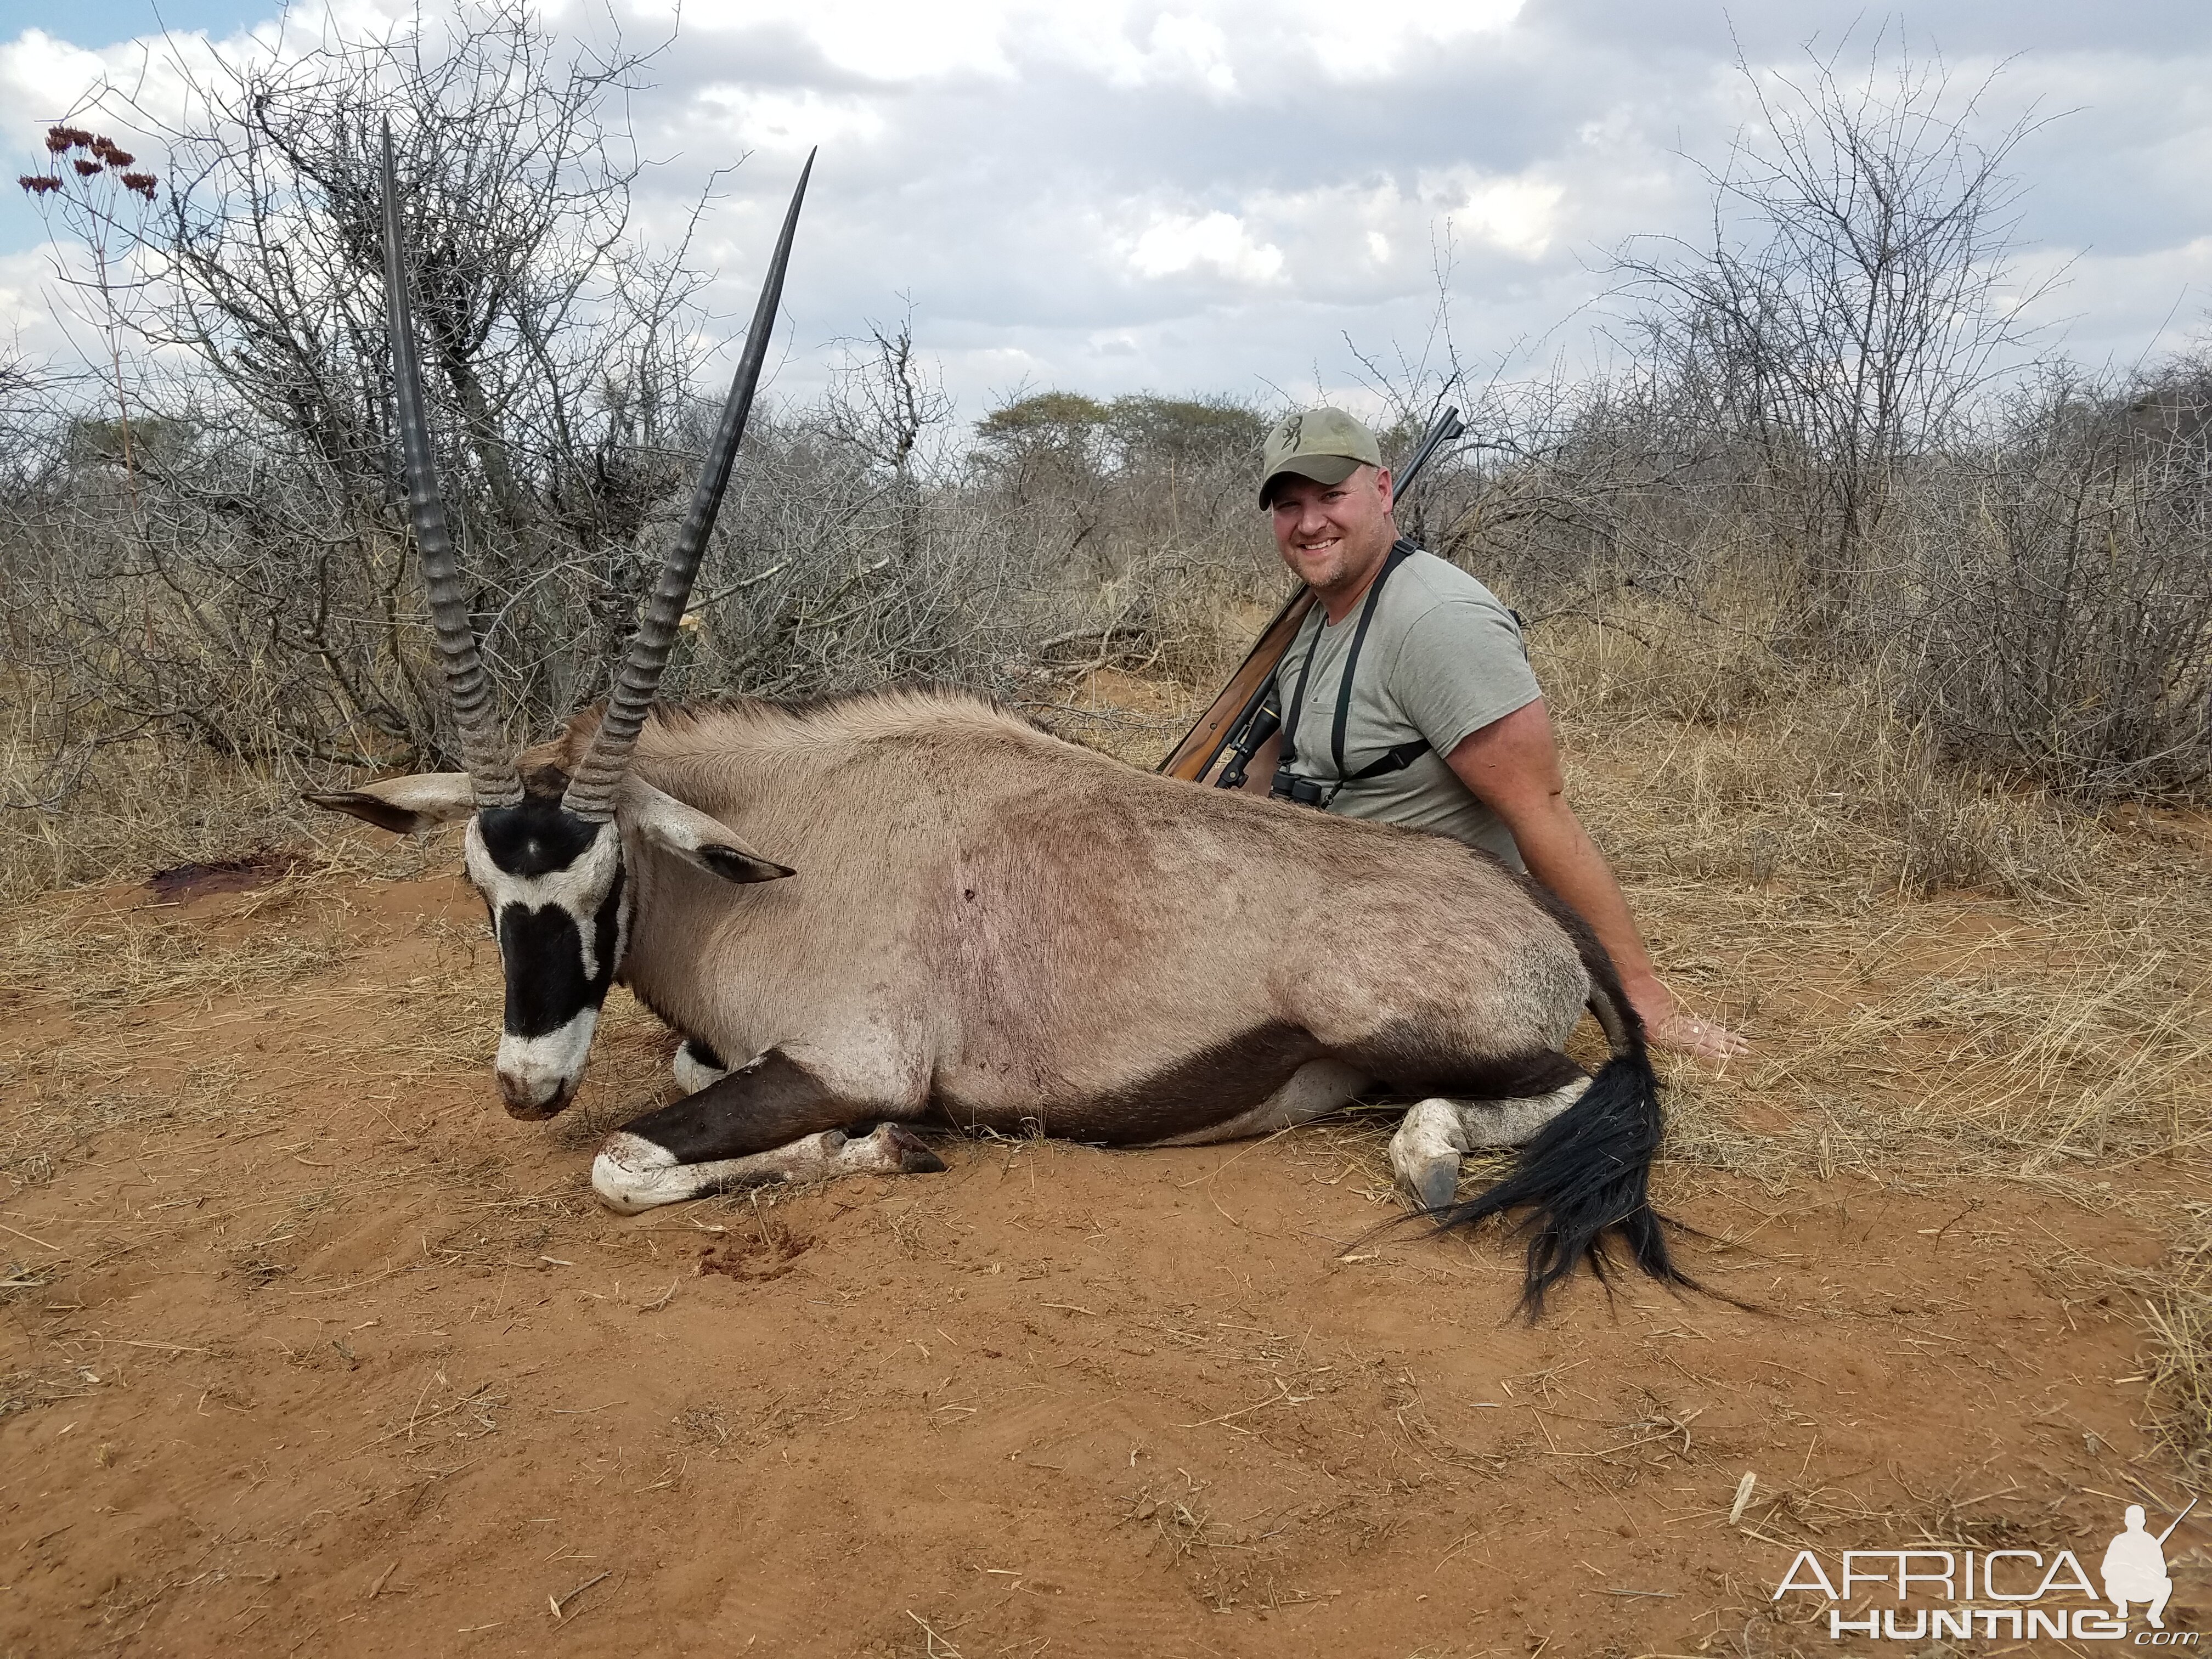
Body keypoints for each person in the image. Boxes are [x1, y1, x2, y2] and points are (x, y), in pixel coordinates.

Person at [1248, 407, 1745, 1060]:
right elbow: (1266, 771)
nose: (1310, 524)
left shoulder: (1439, 621)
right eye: (1290, 506)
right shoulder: (1313, 615)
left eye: (1332, 496)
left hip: (1421, 930)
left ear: (1383, 490)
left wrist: (1645, 1002)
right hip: (1319, 904)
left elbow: (1541, 815)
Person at [2101, 1505, 2173, 1628]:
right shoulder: (2119, 1541)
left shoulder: (2151, 1542)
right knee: (2110, 1582)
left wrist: (2148, 1570)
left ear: (2143, 1522)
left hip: (2144, 1587)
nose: (2135, 1524)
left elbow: (2162, 1570)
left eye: (2137, 1521)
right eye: (2133, 1521)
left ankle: (2154, 1615)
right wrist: (2123, 1571)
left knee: (2167, 1584)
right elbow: (2106, 1569)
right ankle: (2122, 1606)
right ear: (2126, 1522)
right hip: (2122, 1587)